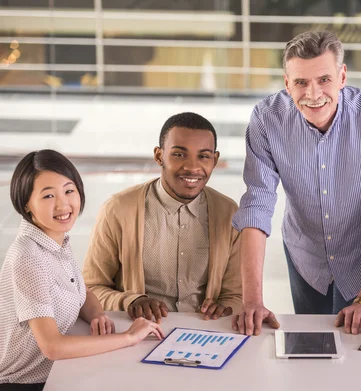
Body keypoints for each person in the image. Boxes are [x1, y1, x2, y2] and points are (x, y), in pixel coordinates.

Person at [231, 31, 361, 336]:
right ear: (286, 81)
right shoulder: (266, 119)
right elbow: (256, 205)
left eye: (324, 80)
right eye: (301, 82)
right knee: (311, 344)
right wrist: (252, 300)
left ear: (342, 76)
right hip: (305, 254)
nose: (313, 94)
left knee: (357, 347)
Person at [0, 150, 164, 391]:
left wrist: (97, 314)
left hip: (58, 374)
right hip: (23, 387)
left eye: (68, 191)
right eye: (47, 196)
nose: (63, 205)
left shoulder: (55, 240)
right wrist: (129, 337)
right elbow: (53, 347)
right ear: (26, 204)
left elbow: (80, 291)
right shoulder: (29, 256)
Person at [83, 112, 242, 322]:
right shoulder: (118, 209)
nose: (192, 167)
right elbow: (90, 289)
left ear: (215, 159)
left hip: (206, 333)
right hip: (139, 331)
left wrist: (226, 307)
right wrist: (130, 302)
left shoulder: (229, 213)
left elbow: (236, 295)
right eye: (179, 154)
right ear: (159, 156)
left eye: (203, 156)